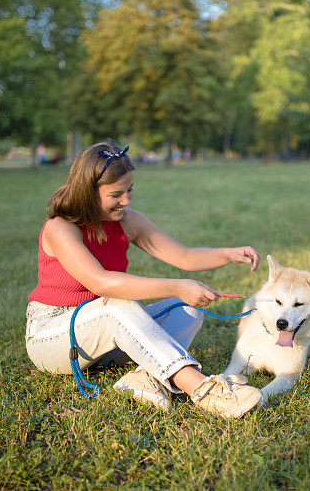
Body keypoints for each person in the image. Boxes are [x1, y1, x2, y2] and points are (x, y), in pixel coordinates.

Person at [26, 142, 263, 418]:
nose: (126, 201)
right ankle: (203, 391)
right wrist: (176, 285)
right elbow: (101, 283)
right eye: (116, 194)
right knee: (118, 303)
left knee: (185, 308)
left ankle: (143, 379)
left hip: (106, 336)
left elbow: (185, 256)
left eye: (129, 191)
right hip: (52, 335)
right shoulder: (60, 228)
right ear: (87, 193)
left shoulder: (128, 221)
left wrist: (228, 253)